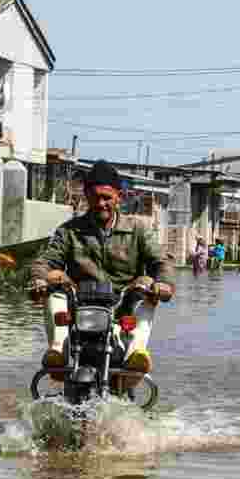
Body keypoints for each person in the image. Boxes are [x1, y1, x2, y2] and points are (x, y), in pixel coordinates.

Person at [30, 160, 175, 375]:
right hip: (79, 309)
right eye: (95, 197)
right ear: (86, 197)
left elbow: (160, 262)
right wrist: (39, 280)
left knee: (147, 286)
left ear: (119, 197)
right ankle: (58, 351)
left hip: (123, 309)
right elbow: (45, 262)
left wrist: (163, 284)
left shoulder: (138, 230)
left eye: (107, 197)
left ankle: (136, 352)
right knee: (54, 280)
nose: (101, 203)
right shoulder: (69, 231)